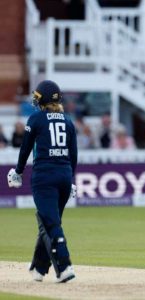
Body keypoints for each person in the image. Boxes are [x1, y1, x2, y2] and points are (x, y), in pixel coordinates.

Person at [7, 80, 77, 283]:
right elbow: (73, 154)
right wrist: (71, 179)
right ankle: (39, 268)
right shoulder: (68, 120)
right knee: (50, 221)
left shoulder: (36, 118)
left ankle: (64, 267)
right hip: (64, 175)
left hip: (44, 177)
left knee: (51, 222)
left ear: (42, 99)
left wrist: (18, 172)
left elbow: (25, 148)